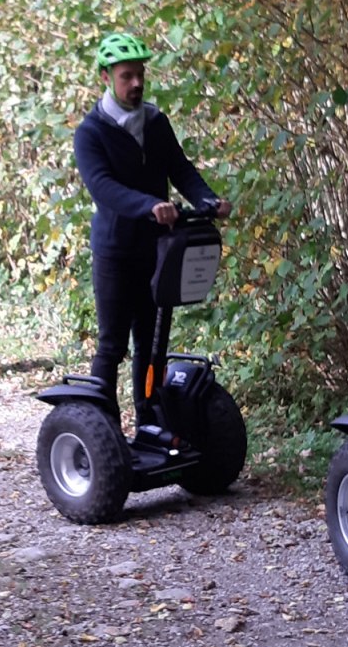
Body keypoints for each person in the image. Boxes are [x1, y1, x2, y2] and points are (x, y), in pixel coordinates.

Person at [73, 32, 231, 428]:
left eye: (141, 75)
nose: (137, 84)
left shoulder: (155, 122)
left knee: (152, 342)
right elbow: (103, 188)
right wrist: (149, 205)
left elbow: (181, 169)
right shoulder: (91, 131)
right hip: (115, 252)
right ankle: (101, 429)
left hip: (157, 250)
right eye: (127, 76)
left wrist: (207, 200)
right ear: (107, 77)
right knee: (112, 344)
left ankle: (148, 419)